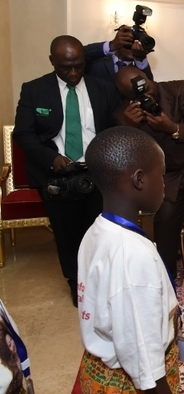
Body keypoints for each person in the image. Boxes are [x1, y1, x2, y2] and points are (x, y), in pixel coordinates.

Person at [13, 35, 119, 307]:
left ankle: (102, 279)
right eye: (65, 67)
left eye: (78, 66)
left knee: (101, 231)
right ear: (52, 62)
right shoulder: (34, 90)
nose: (73, 73)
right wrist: (51, 159)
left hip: (96, 171)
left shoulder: (103, 89)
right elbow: (24, 134)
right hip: (56, 175)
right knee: (67, 233)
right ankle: (77, 283)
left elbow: (114, 129)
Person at [75, 126, 180, 393]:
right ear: (140, 179)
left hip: (100, 369)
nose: (165, 185)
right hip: (130, 383)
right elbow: (143, 361)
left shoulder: (96, 230)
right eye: (162, 176)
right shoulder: (132, 255)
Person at [114, 66, 184, 302]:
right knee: (165, 220)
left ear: (148, 78)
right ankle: (165, 273)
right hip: (167, 173)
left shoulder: (179, 89)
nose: (143, 95)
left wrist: (172, 127)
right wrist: (128, 125)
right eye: (134, 94)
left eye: (143, 86)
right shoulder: (125, 114)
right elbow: (127, 149)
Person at [84, 25, 154, 83]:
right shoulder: (97, 62)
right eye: (129, 41)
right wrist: (111, 45)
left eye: (139, 43)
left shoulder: (139, 70)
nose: (133, 45)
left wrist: (140, 58)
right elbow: (80, 54)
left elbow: (149, 87)